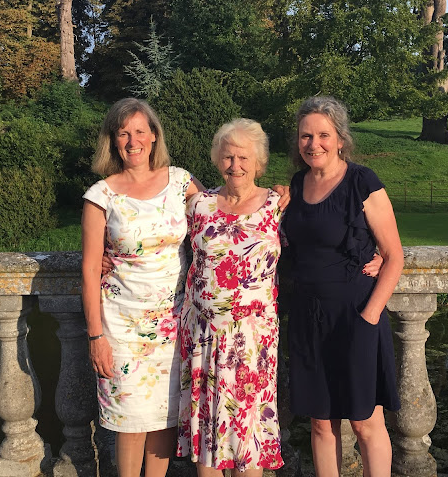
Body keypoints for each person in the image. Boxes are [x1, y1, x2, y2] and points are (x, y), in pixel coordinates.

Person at [81, 98, 205, 477]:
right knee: (131, 422)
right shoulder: (101, 195)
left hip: (174, 324)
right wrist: (95, 337)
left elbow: (220, 219)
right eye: (123, 133)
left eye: (139, 131)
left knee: (164, 418)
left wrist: (271, 197)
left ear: (153, 136)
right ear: (113, 141)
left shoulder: (181, 182)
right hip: (121, 327)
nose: (132, 141)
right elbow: (89, 268)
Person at [282, 96, 403, 477]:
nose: (313, 144)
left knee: (365, 421)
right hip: (308, 317)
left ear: (339, 139)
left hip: (356, 316)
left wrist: (369, 317)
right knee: (321, 422)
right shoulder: (296, 185)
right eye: (305, 136)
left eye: (323, 135)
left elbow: (394, 256)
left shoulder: (361, 181)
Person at [176, 119, 284, 475]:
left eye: (243, 157)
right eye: (227, 157)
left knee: (247, 436)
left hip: (253, 341)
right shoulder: (198, 205)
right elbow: (155, 237)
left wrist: (376, 254)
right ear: (217, 160)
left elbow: (322, 240)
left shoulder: (278, 205)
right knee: (208, 432)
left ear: (259, 162)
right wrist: (109, 255)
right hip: (203, 336)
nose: (235, 165)